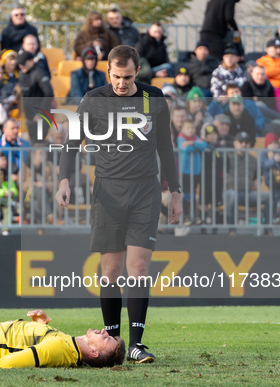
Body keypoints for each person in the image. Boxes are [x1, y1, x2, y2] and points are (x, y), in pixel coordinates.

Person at [55, 45, 182, 363]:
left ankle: (137, 344)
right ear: (107, 71)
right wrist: (64, 180)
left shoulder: (153, 99)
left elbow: (166, 147)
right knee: (109, 272)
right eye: (115, 76)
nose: (121, 83)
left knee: (138, 269)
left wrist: (176, 191)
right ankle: (112, 339)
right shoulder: (93, 100)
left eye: (127, 77)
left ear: (137, 72)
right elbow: (71, 144)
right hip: (108, 193)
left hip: (145, 192)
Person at [224, 132, 272, 235]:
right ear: (235, 143)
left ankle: (268, 229)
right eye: (241, 142)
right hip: (230, 191)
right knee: (232, 195)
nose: (244, 145)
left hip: (247, 193)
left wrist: (257, 185)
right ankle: (232, 230)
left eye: (246, 142)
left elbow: (256, 178)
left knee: (268, 197)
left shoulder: (253, 160)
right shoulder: (227, 157)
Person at [17, 51, 54, 142]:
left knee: (38, 143)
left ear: (31, 61)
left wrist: (40, 113)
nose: (22, 66)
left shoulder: (39, 73)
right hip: (30, 115)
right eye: (20, 65)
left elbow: (49, 93)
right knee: (33, 143)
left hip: (40, 115)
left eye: (23, 64)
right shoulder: (22, 74)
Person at [177, 120, 207, 226]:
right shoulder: (181, 137)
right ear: (183, 129)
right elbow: (185, 148)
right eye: (188, 128)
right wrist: (195, 146)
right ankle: (186, 216)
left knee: (194, 194)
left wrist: (192, 143)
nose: (191, 130)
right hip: (185, 171)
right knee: (186, 194)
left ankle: (195, 216)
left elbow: (204, 145)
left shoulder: (195, 138)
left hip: (196, 171)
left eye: (192, 128)